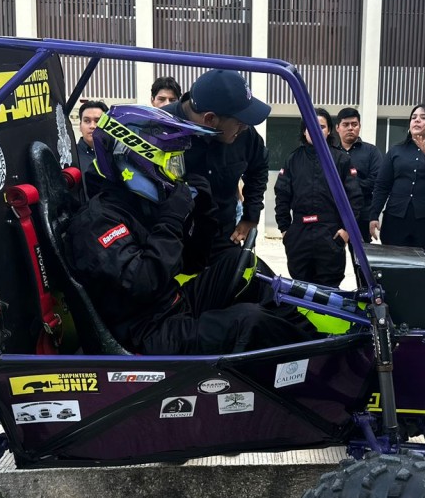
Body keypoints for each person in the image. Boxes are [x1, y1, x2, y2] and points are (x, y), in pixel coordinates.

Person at [67, 105, 314, 355]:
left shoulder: (138, 205)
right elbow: (145, 282)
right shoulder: (97, 221)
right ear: (138, 161)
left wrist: (203, 213)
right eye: (171, 163)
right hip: (147, 332)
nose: (177, 174)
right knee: (249, 322)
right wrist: (171, 218)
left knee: (241, 264)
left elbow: (193, 264)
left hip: (170, 304)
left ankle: (313, 337)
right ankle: (316, 363)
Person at [161, 69, 270, 250]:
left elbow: (259, 166)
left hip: (225, 236)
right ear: (210, 119)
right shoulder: (159, 130)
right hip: (173, 244)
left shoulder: (244, 133)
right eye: (240, 122)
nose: (245, 128)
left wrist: (251, 215)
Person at [275, 108, 363, 287]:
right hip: (299, 234)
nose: (315, 130)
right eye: (310, 126)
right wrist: (286, 230)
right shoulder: (293, 159)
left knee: (329, 290)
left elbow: (355, 198)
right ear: (304, 130)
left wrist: (346, 232)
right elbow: (282, 195)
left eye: (321, 126)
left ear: (329, 130)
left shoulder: (341, 160)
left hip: (330, 234)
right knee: (301, 289)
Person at [368, 104, 425, 264]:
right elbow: (382, 185)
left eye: (423, 117)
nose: (417, 121)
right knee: (393, 267)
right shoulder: (396, 150)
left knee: (424, 270)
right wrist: (374, 215)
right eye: (414, 118)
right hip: (396, 218)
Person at [335, 108, 382, 243]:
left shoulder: (371, 152)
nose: (350, 128)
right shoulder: (331, 153)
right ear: (337, 127)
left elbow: (376, 181)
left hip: (363, 214)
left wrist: (346, 186)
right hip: (335, 214)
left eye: (354, 124)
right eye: (345, 124)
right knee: (332, 258)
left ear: (359, 127)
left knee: (361, 260)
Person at [76, 100, 109, 186]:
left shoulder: (116, 156)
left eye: (97, 121)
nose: (92, 126)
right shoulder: (70, 156)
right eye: (87, 121)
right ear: (80, 126)